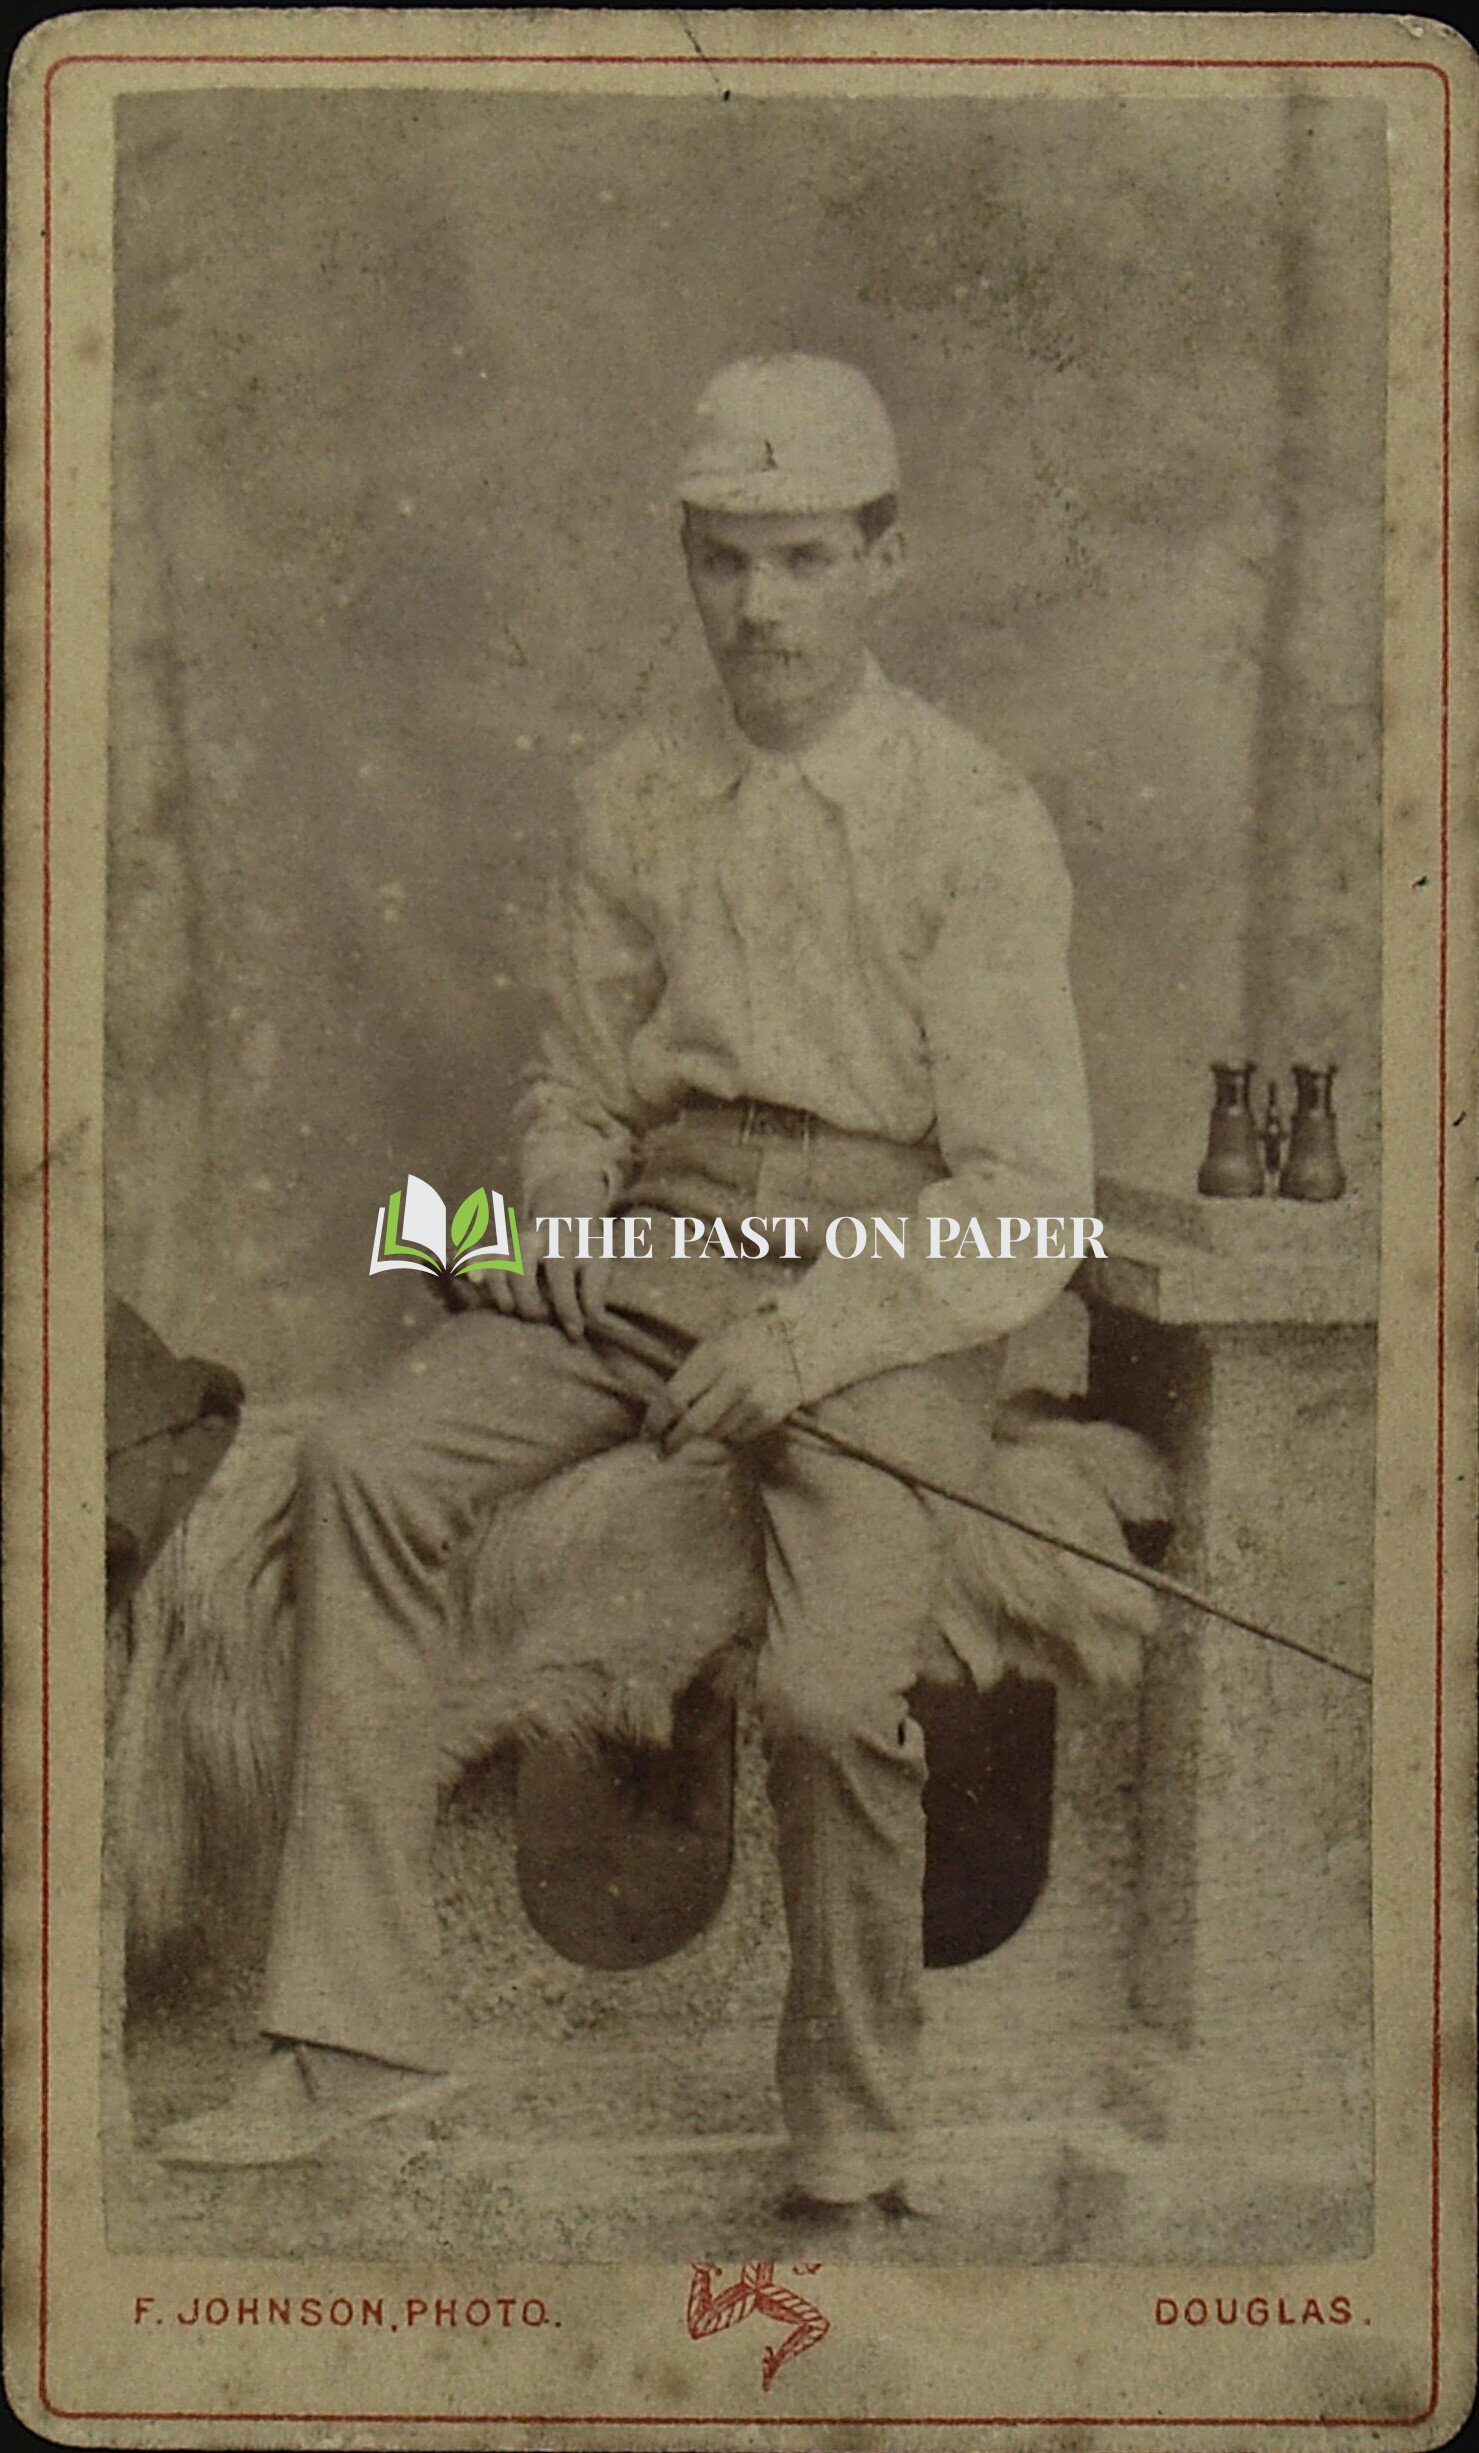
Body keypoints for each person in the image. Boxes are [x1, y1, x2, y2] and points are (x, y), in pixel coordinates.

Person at [157, 355, 1094, 2222]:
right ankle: (357, 2042)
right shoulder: (635, 793)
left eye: (808, 558)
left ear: (885, 561)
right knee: (359, 1460)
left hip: (883, 1266)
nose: (763, 607)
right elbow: (578, 1079)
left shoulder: (973, 816)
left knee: (834, 1694)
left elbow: (1028, 1199)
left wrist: (803, 1339)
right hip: (655, 1231)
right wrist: (569, 1191)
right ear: (687, 559)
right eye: (727, 560)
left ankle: (849, 2136)